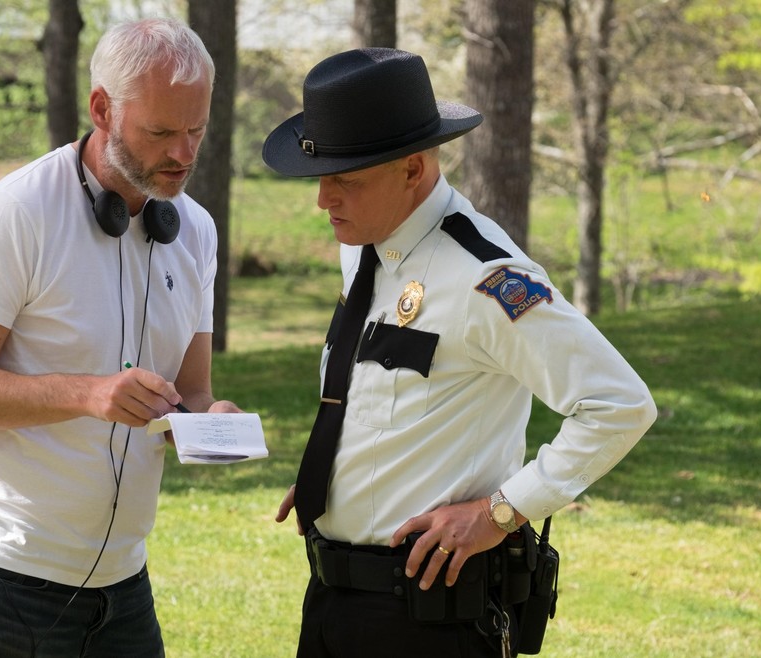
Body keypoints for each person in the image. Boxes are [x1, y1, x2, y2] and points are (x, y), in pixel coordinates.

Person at [265, 48, 657, 657]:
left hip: (427, 618)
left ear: (413, 170)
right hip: (330, 599)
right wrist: (335, 471)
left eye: (348, 179)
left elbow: (618, 404)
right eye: (323, 177)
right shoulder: (369, 244)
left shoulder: (486, 278)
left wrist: (501, 513)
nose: (324, 201)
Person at [0, 17, 241, 658]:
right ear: (101, 108)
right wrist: (90, 394)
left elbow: (193, 391)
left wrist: (211, 422)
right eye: (161, 132)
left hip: (122, 587)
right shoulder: (14, 215)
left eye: (197, 129)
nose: (184, 153)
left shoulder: (195, 230)